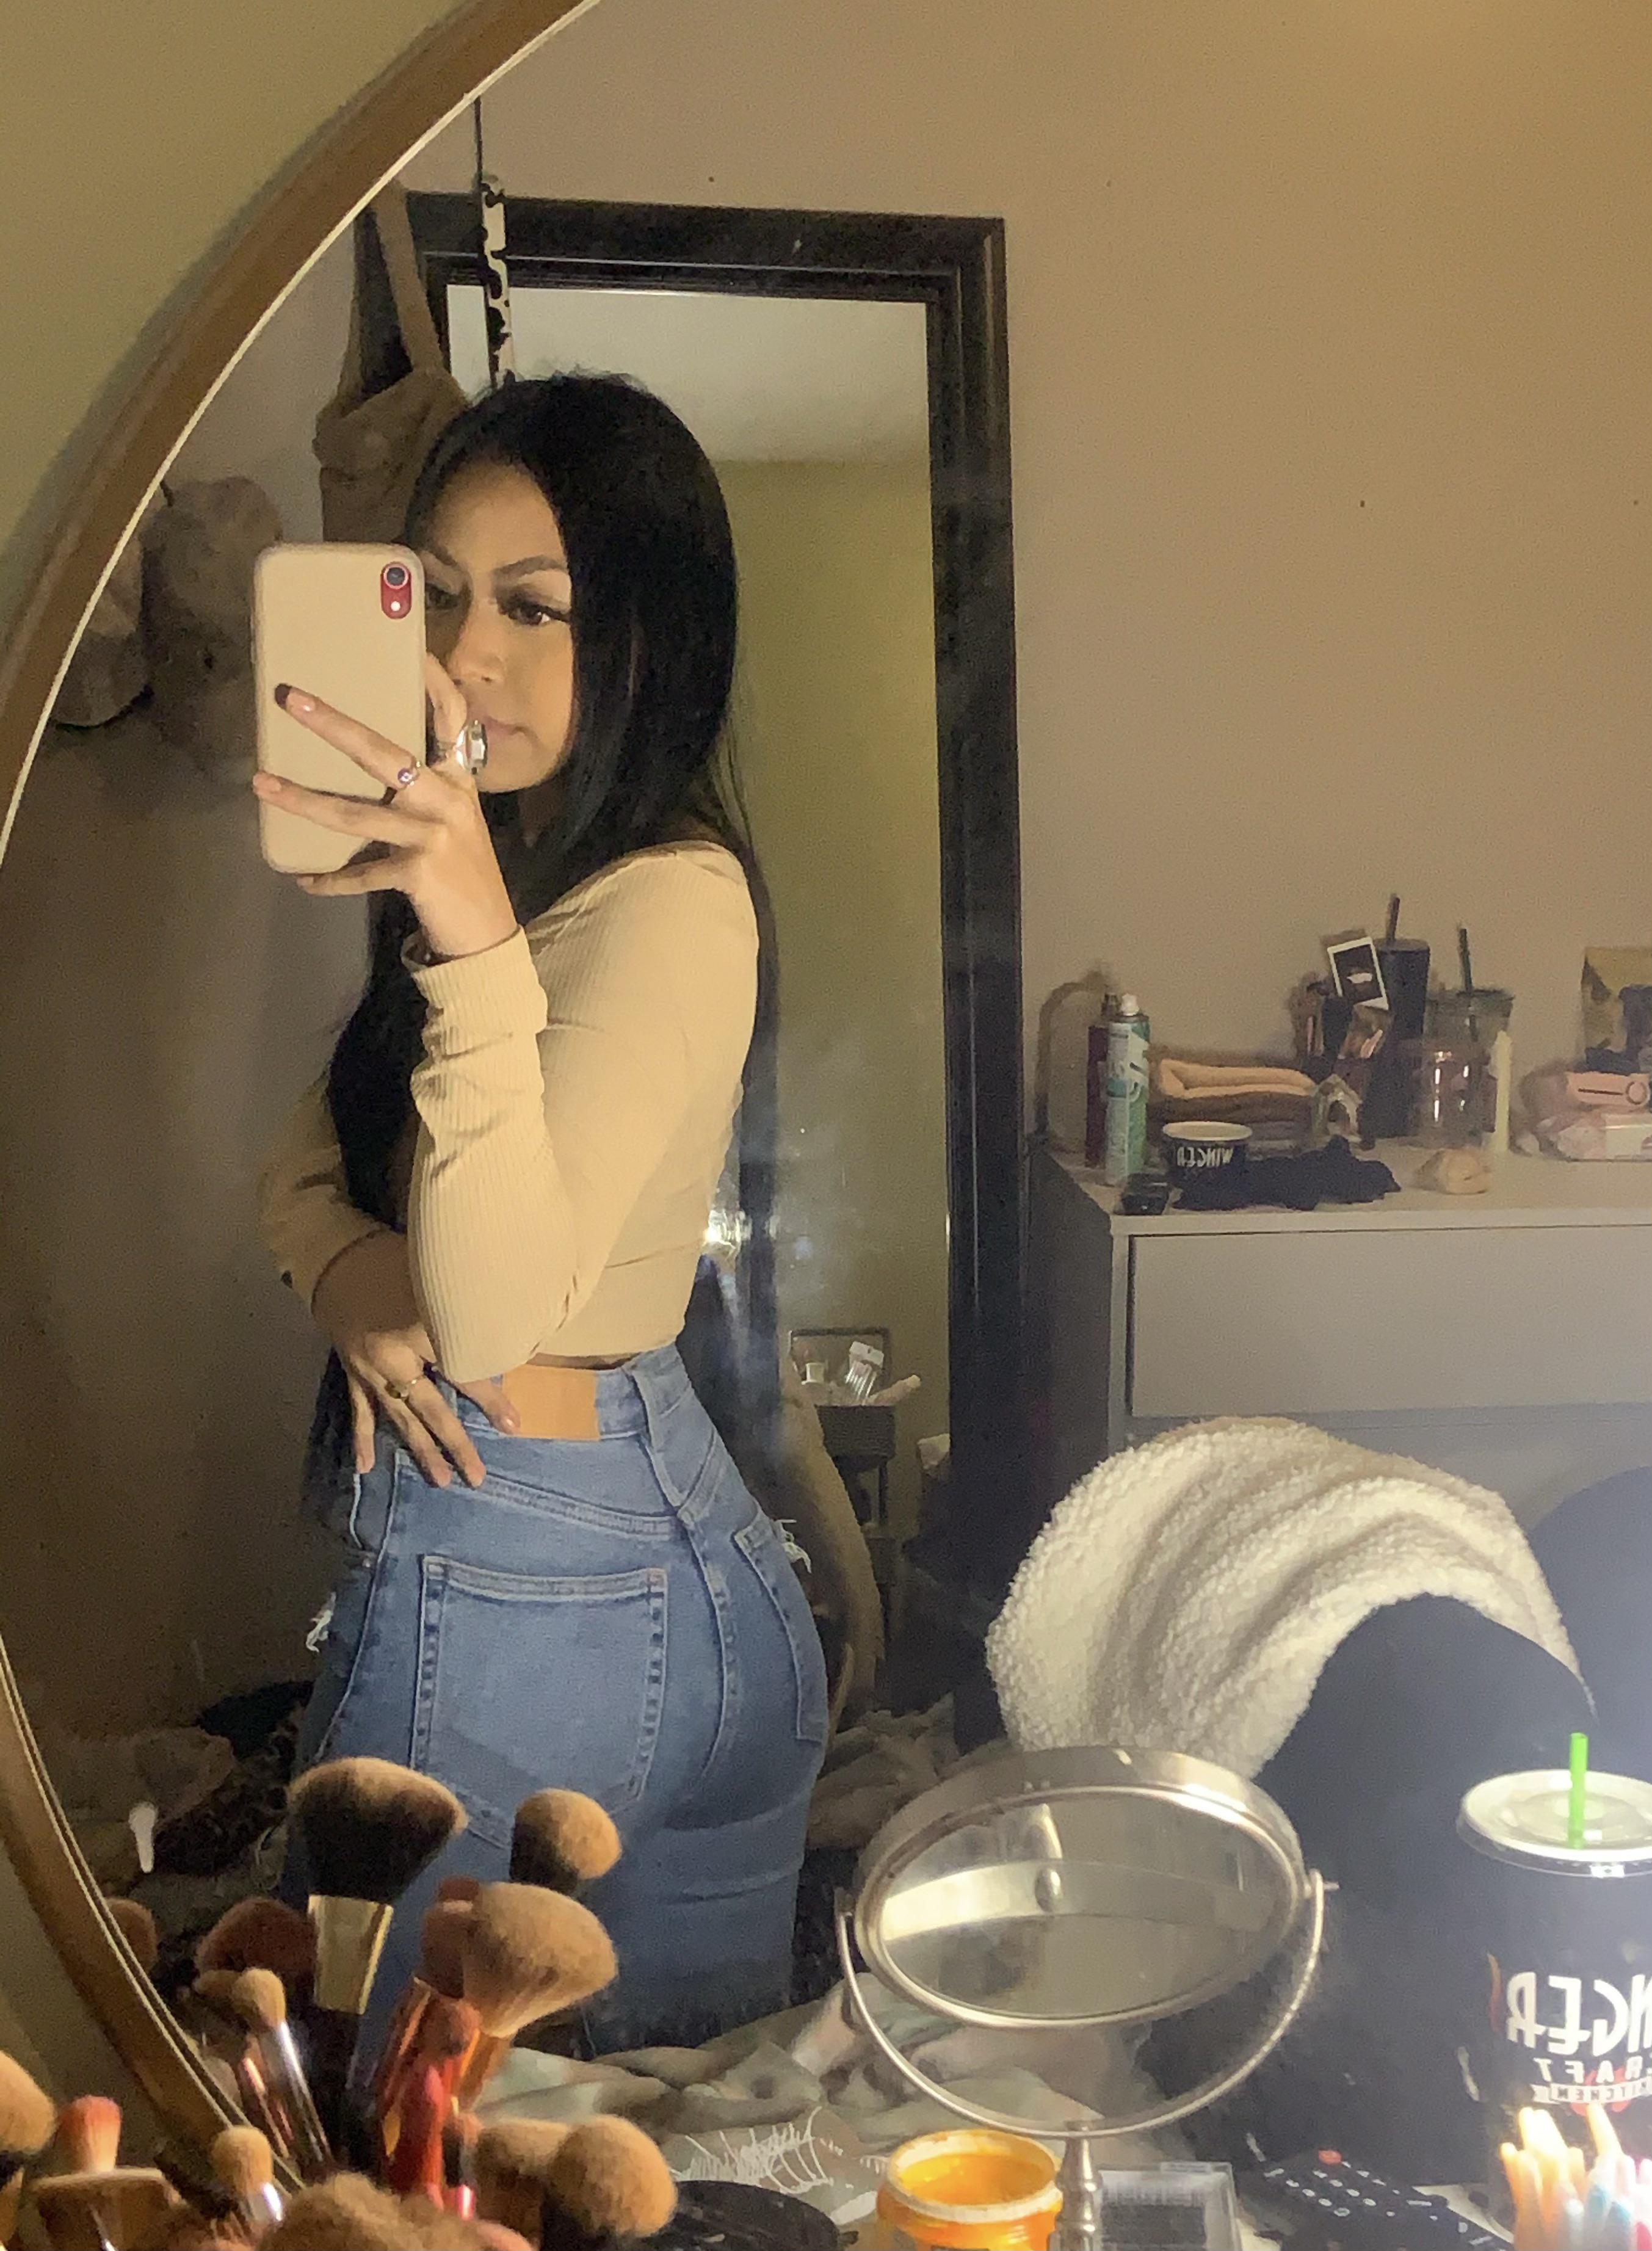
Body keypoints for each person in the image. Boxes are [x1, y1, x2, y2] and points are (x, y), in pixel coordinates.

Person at [257, 374, 828, 2052]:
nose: (466, 654)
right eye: (434, 595)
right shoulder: (517, 874)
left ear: (648, 635)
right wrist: (349, 1274)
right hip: (654, 1537)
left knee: (362, 2124)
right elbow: (300, 1162)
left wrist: (468, 940)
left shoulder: (660, 901)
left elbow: (493, 1311)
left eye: (532, 606)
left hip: (527, 1566)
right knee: (644, 2146)